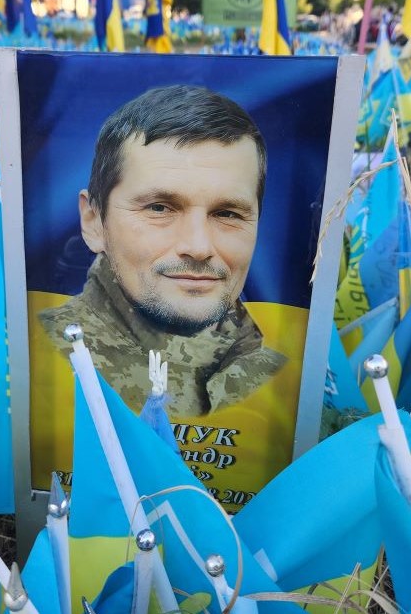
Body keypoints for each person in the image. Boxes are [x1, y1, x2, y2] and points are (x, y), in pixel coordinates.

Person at [38, 85, 286, 418]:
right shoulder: (34, 360)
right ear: (94, 221)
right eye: (159, 208)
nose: (198, 247)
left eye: (227, 214)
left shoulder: (290, 384)